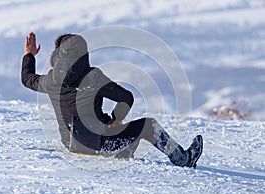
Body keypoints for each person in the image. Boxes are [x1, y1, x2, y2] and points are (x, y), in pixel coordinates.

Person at [21, 32, 203, 168]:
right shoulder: (93, 77)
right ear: (83, 55)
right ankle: (183, 159)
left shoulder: (51, 80)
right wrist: (115, 119)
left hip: (71, 145)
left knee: (119, 130)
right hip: (99, 145)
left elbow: (27, 78)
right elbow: (126, 97)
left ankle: (122, 152)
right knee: (148, 126)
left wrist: (29, 55)